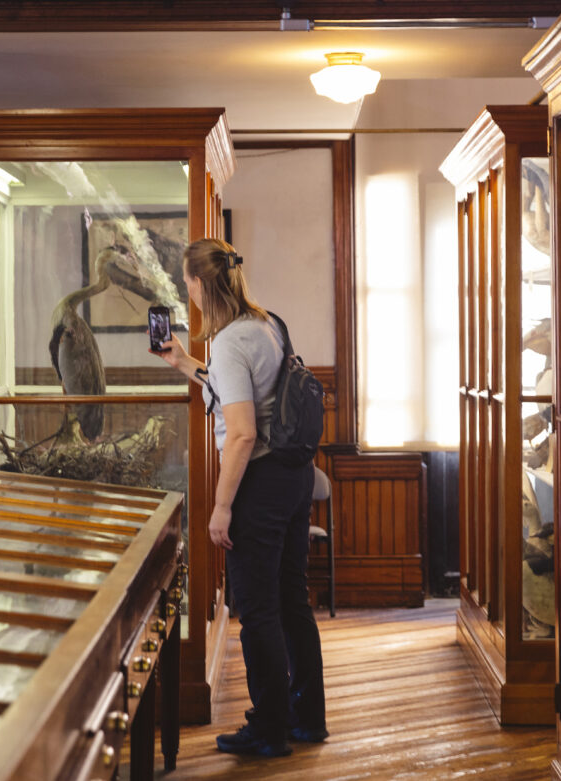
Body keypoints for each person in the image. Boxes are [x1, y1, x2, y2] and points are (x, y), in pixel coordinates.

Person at [152, 237, 328, 758]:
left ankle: (269, 727)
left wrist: (222, 505)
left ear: (201, 284)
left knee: (257, 609)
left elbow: (244, 432)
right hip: (295, 476)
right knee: (291, 600)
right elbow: (247, 396)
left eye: (186, 281)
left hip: (260, 485)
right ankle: (306, 717)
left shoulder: (229, 342)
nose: (186, 289)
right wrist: (185, 364)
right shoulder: (268, 324)